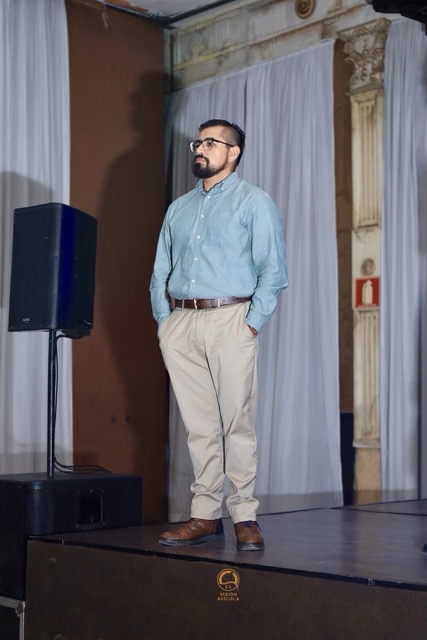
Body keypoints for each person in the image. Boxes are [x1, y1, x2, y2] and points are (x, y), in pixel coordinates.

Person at [150, 118, 288, 551]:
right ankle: (205, 516)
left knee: (236, 422)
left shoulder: (254, 201)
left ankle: (245, 516)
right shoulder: (179, 208)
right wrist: (165, 323)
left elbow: (273, 270)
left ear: (233, 152)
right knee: (199, 426)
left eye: (211, 142)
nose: (200, 148)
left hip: (232, 317)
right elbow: (160, 272)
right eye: (198, 142)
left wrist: (251, 322)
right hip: (182, 323)